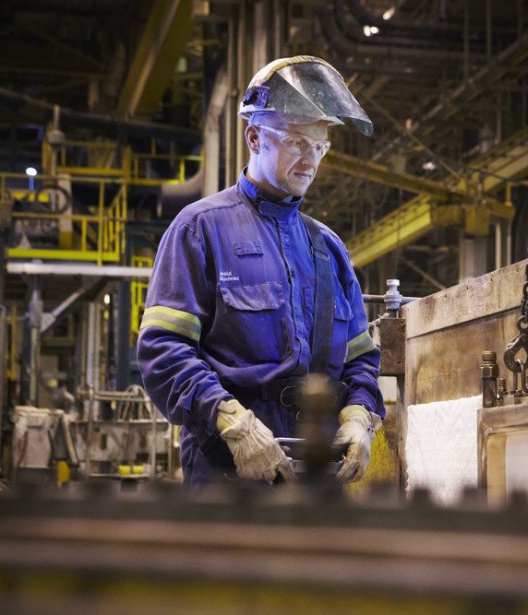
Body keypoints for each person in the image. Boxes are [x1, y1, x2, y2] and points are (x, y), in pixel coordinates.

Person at [137, 56, 385, 487]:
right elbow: (163, 348)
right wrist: (233, 422)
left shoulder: (328, 248)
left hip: (316, 468)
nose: (311, 162)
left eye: (320, 147)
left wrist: (360, 415)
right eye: (297, 144)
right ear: (255, 138)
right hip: (227, 465)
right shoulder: (200, 229)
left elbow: (360, 357)